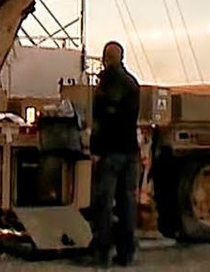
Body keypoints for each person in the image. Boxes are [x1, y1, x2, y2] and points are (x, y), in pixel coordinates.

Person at [87, 40, 141, 267]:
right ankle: (126, 254)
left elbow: (100, 122)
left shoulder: (104, 85)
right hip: (130, 151)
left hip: (109, 153)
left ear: (105, 58)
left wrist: (95, 150)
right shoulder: (132, 84)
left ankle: (102, 255)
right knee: (127, 204)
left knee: (104, 205)